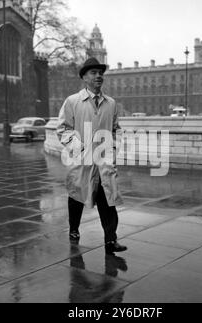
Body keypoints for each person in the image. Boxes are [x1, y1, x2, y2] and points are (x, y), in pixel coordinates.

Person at [57, 57, 127, 254]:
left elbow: (115, 130)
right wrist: (80, 149)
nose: (99, 76)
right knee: (76, 197)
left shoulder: (111, 103)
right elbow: (63, 129)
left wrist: (112, 150)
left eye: (100, 73)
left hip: (104, 161)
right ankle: (74, 229)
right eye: (94, 73)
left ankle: (111, 240)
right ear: (84, 78)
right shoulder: (72, 102)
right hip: (81, 161)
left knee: (108, 201)